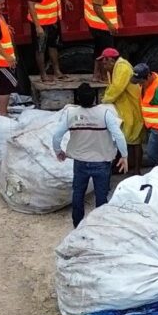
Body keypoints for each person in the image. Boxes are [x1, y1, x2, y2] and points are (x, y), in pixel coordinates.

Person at [51, 81, 125, 225]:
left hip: (80, 162)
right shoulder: (105, 113)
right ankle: (99, 226)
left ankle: (77, 224)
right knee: (101, 196)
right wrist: (124, 155)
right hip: (102, 162)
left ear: (78, 99)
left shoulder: (71, 114)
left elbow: (56, 136)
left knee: (78, 194)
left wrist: (58, 151)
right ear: (94, 98)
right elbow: (119, 136)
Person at [95, 45, 146, 177]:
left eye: (104, 62)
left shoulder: (122, 68)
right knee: (127, 137)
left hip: (132, 107)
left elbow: (116, 88)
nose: (103, 65)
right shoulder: (113, 69)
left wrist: (104, 101)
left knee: (135, 139)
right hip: (125, 108)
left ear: (111, 60)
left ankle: (136, 169)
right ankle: (125, 166)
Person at [24, 0, 63, 78]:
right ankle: (43, 75)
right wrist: (37, 26)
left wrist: (65, 0)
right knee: (40, 49)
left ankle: (57, 71)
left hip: (53, 20)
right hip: (41, 23)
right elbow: (31, 6)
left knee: (53, 46)